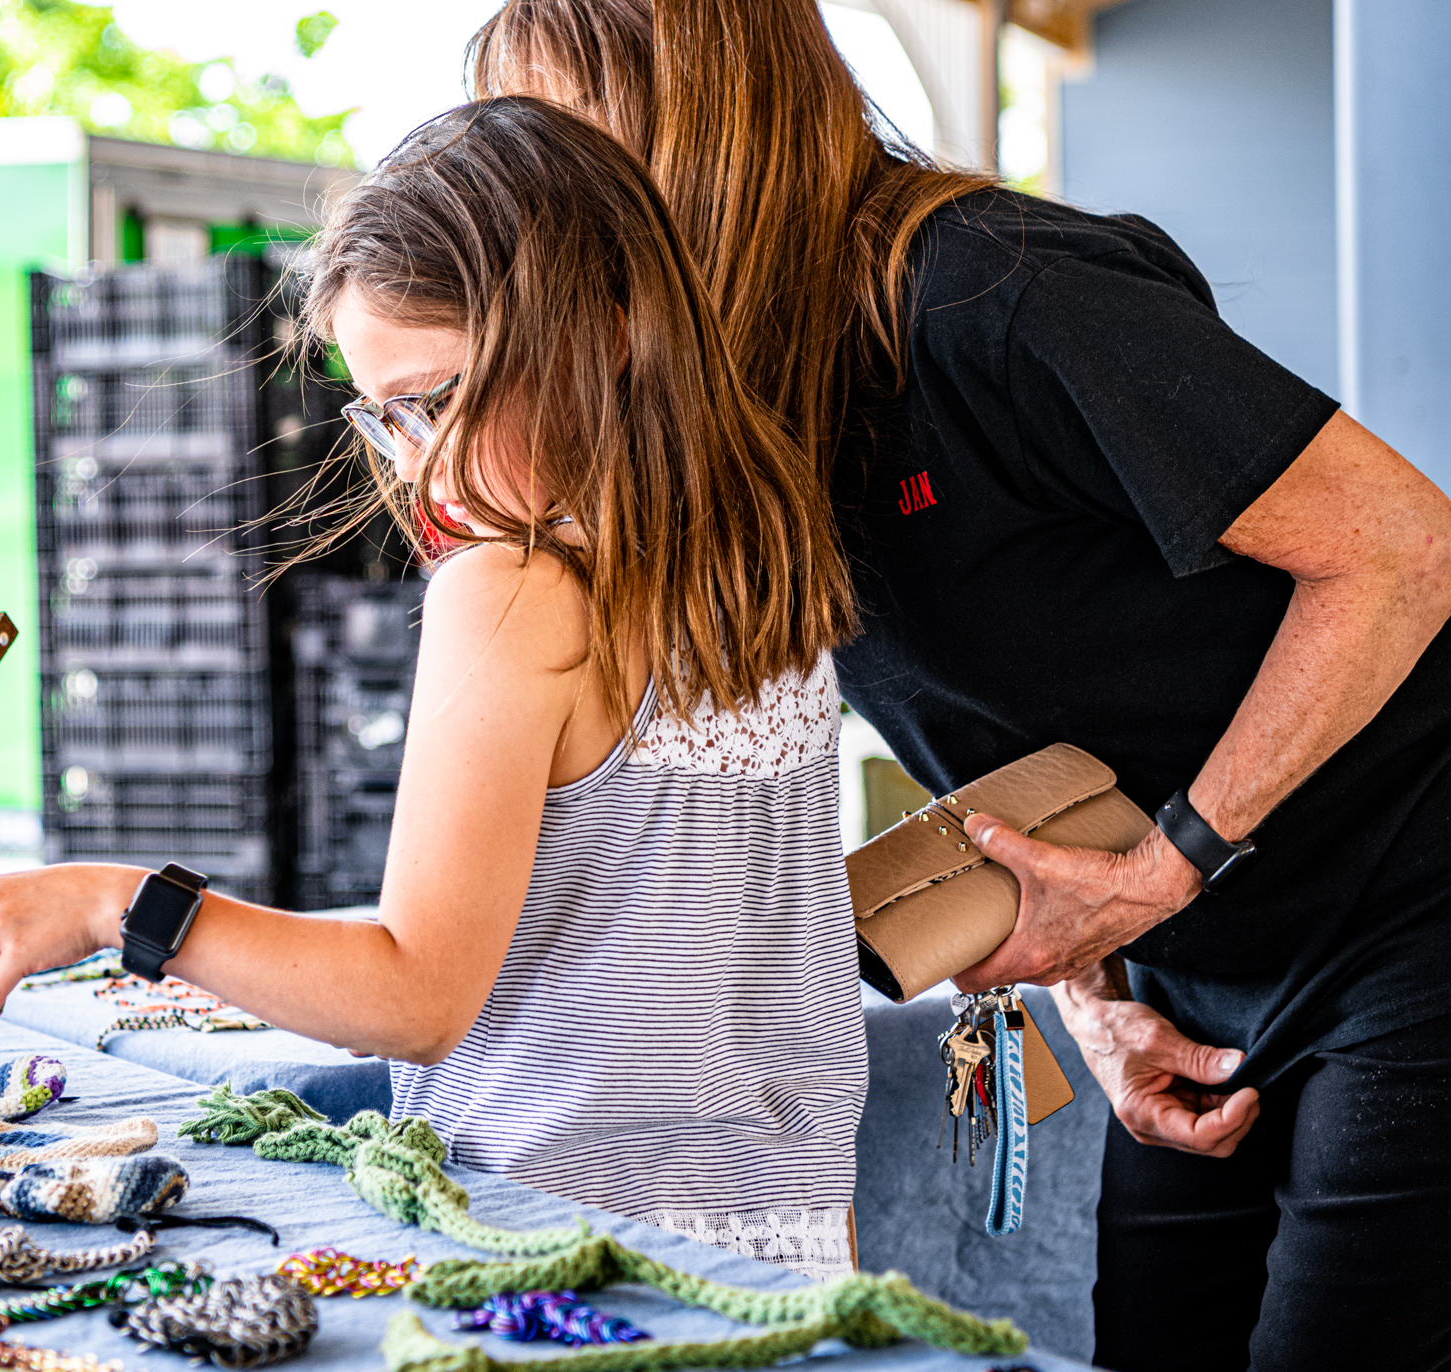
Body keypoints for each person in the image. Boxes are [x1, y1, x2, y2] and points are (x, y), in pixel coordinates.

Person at [468, 3, 1451, 1368]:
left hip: (1412, 904)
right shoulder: (757, 403)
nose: (541, 207)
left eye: (567, 153)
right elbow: (1038, 724)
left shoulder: (994, 288)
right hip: (1201, 966)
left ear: (701, 123)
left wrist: (1165, 873)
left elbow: (1407, 552)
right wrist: (1101, 994)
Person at [0, 96, 867, 1280]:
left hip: (560, 1246)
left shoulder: (514, 588)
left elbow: (418, 990)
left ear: (608, 325)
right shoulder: (764, 542)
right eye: (382, 416)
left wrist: (119, 904)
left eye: (436, 397)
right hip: (786, 1239)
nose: (416, 458)